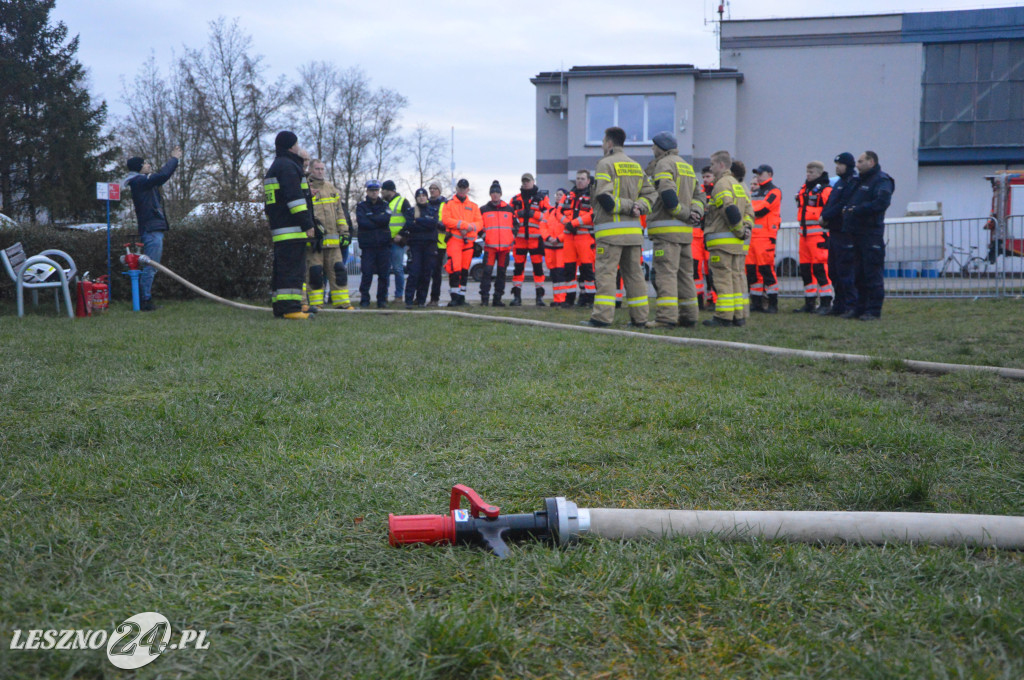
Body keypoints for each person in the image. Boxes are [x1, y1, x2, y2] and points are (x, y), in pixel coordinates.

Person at [581, 126, 656, 328]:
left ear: (610, 143)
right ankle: (640, 318)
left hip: (610, 233)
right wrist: (639, 206)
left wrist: (629, 205)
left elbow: (604, 197)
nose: (603, 145)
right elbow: (651, 195)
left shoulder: (605, 164)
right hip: (633, 234)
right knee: (635, 275)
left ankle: (601, 318)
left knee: (606, 274)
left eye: (603, 142)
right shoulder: (635, 165)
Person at [644, 132, 704, 328]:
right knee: (685, 275)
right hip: (685, 234)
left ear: (660, 147)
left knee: (665, 274)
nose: (652, 150)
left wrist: (684, 213)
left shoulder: (664, 164)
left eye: (653, 146)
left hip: (666, 232)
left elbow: (668, 195)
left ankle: (665, 318)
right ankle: (689, 316)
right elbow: (700, 196)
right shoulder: (686, 166)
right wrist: (694, 213)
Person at [263, 131, 314, 320]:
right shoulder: (288, 166)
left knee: (282, 269)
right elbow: (294, 200)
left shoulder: (278, 165)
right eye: (297, 144)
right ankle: (292, 309)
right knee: (292, 270)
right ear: (291, 146)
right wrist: (307, 224)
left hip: (281, 228)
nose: (299, 147)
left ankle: (281, 306)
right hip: (292, 229)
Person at [125, 147, 181, 311]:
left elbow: (159, 178)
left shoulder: (142, 182)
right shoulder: (139, 181)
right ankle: (145, 301)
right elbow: (163, 175)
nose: (149, 165)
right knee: (151, 267)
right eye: (145, 163)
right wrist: (174, 159)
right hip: (151, 230)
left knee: (151, 267)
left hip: (152, 229)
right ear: (139, 168)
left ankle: (144, 299)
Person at [702, 150, 753, 327]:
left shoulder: (722, 184)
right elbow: (749, 211)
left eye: (713, 163)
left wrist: (739, 230)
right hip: (737, 245)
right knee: (737, 278)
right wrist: (746, 228)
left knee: (723, 280)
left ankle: (723, 316)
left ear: (722, 165)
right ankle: (739, 315)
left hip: (722, 243)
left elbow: (728, 209)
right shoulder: (739, 185)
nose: (711, 167)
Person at [843, 150, 894, 321]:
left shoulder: (881, 180)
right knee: (859, 273)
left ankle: (873, 310)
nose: (856, 165)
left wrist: (858, 210)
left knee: (872, 273)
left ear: (871, 162)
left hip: (871, 234)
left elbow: (881, 203)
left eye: (860, 161)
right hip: (856, 233)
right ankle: (860, 308)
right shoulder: (859, 181)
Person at [306, 159, 353, 310]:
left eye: (322, 169)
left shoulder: (332, 188)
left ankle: (342, 303)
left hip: (333, 242)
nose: (320, 171)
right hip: (315, 242)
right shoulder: (306, 188)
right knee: (315, 273)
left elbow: (340, 213)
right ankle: (316, 304)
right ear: (311, 170)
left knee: (338, 271)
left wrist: (344, 232)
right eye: (317, 169)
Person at [820, 152, 859, 317]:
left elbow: (843, 204)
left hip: (845, 233)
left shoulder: (853, 182)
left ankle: (851, 305)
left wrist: (826, 216)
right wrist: (824, 215)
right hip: (834, 232)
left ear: (848, 165)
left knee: (846, 271)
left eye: (840, 164)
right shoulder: (839, 183)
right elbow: (830, 203)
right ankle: (839, 305)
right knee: (833, 270)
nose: (837, 167)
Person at [794, 161, 834, 313]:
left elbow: (829, 210)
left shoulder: (825, 190)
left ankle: (826, 301)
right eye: (807, 172)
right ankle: (809, 302)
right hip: (804, 234)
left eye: (811, 172)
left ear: (818, 173)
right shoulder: (805, 189)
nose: (808, 175)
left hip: (819, 234)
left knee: (820, 268)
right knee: (805, 269)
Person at [510, 173, 551, 306]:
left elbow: (548, 216)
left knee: (538, 268)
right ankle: (517, 297)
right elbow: (508, 215)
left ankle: (539, 297)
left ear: (533, 181)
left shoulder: (541, 198)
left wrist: (534, 214)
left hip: (536, 239)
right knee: (518, 269)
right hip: (520, 239)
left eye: (528, 181)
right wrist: (518, 213)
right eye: (524, 181)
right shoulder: (515, 199)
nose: (526, 183)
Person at [440, 178, 482, 307]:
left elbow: (480, 223)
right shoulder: (449, 204)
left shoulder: (474, 206)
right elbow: (445, 220)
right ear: (457, 189)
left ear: (468, 190)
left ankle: (461, 297)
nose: (462, 190)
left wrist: (470, 227)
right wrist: (462, 225)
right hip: (454, 241)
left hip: (468, 243)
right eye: (460, 188)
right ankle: (454, 297)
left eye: (465, 188)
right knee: (455, 269)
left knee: (464, 270)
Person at [747, 164, 782, 314]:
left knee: (766, 269)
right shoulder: (754, 192)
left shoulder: (774, 191)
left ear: (769, 174)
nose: (759, 176)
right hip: (752, 237)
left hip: (765, 237)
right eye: (757, 174)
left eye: (761, 173)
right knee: (752, 271)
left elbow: (762, 210)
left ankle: (773, 303)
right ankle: (756, 303)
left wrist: (747, 211)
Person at [400, 188, 441, 307]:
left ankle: (421, 300)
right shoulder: (411, 210)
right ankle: (409, 300)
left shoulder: (433, 210)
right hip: (415, 245)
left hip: (430, 245)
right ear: (416, 198)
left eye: (424, 195)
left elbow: (433, 224)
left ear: (427, 197)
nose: (422, 197)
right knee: (414, 272)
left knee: (426, 273)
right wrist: (423, 222)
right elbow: (409, 225)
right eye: (419, 196)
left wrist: (418, 220)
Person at [356, 179, 392, 308]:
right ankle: (365, 299)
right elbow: (362, 222)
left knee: (384, 274)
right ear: (367, 191)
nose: (374, 193)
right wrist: (378, 220)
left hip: (383, 245)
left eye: (376, 190)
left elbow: (386, 219)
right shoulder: (361, 206)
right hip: (368, 246)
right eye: (371, 190)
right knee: (367, 274)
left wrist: (371, 218)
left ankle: (381, 300)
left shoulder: (385, 205)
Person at [479, 180, 515, 306]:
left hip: (505, 249)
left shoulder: (510, 210)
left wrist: (511, 238)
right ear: (490, 194)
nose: (495, 194)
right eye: (493, 192)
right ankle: (484, 299)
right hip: (490, 248)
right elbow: (478, 227)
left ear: (500, 194)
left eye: (497, 192)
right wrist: (485, 237)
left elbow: (516, 226)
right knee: (487, 273)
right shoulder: (483, 209)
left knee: (501, 274)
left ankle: (497, 299)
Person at [565, 170, 595, 306]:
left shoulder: (592, 196)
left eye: (582, 178)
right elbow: (559, 212)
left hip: (585, 237)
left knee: (587, 270)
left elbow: (593, 215)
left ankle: (590, 298)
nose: (579, 181)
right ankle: (570, 298)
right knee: (569, 269)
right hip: (570, 238)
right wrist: (566, 223)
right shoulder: (569, 196)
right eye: (577, 178)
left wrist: (574, 223)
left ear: (588, 180)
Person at [381, 180, 413, 302]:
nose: (381, 192)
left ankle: (399, 296)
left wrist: (401, 234)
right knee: (386, 269)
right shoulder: (384, 203)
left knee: (398, 268)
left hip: (397, 241)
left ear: (390, 190)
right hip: (385, 240)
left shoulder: (402, 202)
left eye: (383, 190)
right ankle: (384, 295)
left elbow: (409, 220)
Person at [542, 188, 572, 306]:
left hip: (561, 248)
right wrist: (549, 238)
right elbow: (542, 226)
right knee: (554, 274)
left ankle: (562, 299)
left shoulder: (567, 212)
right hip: (550, 248)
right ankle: (557, 299)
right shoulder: (549, 212)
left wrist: (559, 239)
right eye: (557, 194)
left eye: (561, 195)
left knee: (561, 273)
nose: (558, 197)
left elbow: (568, 228)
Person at [426, 182, 447, 306]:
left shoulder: (446, 204)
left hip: (440, 243)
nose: (432, 191)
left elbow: (447, 222)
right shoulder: (425, 203)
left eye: (435, 189)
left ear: (439, 190)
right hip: (427, 241)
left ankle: (435, 298)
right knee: (425, 271)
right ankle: (421, 297)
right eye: (431, 188)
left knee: (436, 273)